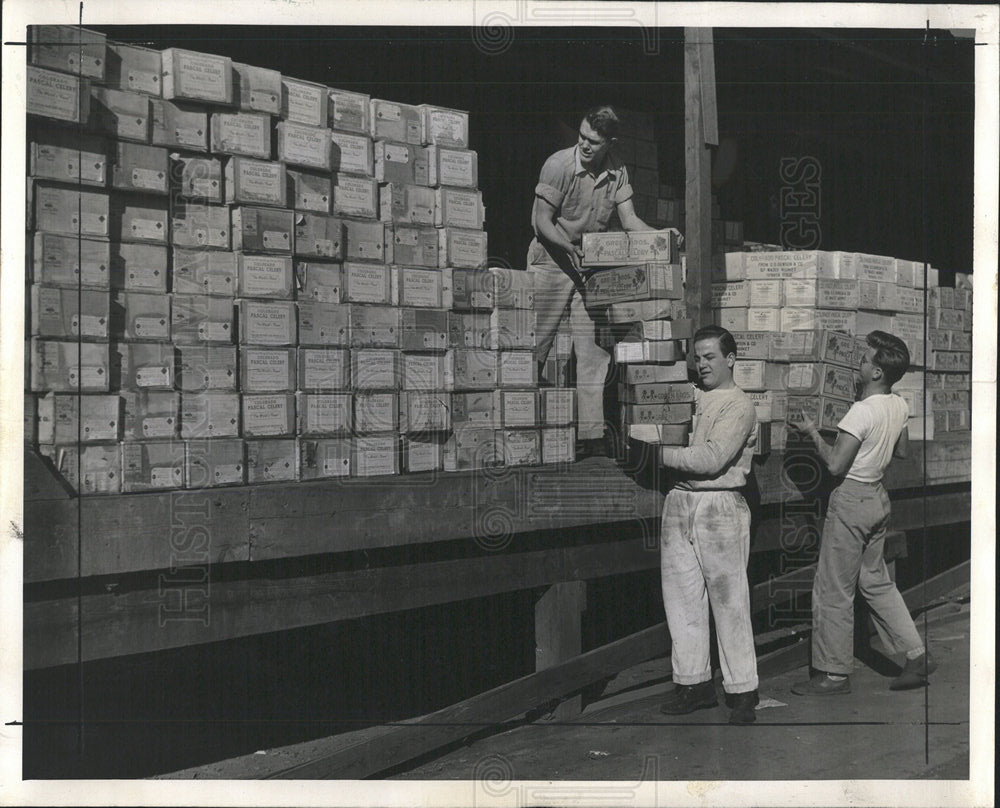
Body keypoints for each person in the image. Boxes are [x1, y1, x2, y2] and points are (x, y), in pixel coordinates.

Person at [527, 105, 678, 459]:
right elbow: (541, 222)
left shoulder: (617, 170)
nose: (585, 145)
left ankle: (591, 435)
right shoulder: (558, 165)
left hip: (591, 267)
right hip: (552, 260)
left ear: (610, 142)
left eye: (593, 141)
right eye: (581, 137)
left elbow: (630, 222)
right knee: (536, 342)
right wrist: (568, 248)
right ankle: (525, 425)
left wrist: (663, 237)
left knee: (592, 350)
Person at [791, 330, 936, 695]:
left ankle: (833, 675)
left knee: (833, 590)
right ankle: (916, 653)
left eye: (865, 359)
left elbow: (837, 465)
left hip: (852, 499)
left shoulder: (861, 411)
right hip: (877, 498)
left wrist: (810, 431)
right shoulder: (898, 405)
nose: (860, 361)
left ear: (876, 373)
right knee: (876, 581)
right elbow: (901, 451)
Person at [657, 325, 760, 725]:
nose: (701, 365)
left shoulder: (738, 405)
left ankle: (743, 691)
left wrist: (658, 456)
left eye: (710, 357)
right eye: (697, 358)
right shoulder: (692, 398)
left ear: (731, 359)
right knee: (681, 598)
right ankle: (693, 683)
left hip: (719, 506)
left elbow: (712, 459)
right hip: (679, 501)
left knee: (729, 600)